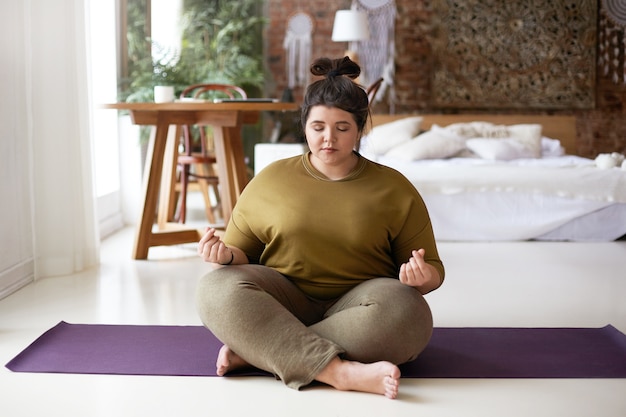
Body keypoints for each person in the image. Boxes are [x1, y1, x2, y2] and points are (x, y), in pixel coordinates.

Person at [195, 56, 444, 399]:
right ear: (305, 126)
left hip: (360, 306)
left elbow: (433, 271)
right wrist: (223, 255)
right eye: (318, 128)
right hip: (282, 298)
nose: (329, 139)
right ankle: (338, 372)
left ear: (359, 129)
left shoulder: (394, 188)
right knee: (214, 289)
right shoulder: (271, 179)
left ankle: (263, 350)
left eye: (342, 128)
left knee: (409, 313)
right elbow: (241, 256)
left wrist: (420, 277)